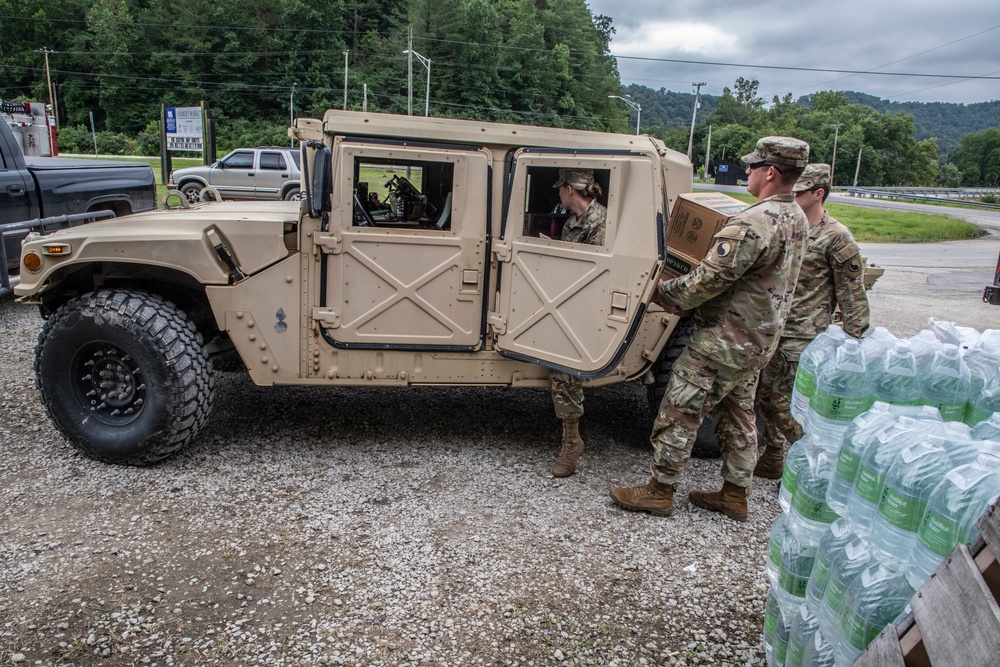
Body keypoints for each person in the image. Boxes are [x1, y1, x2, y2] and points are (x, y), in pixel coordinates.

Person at [609, 136, 809, 521]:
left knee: (679, 409)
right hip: (757, 341)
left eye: (752, 166)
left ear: (770, 172)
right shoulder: (796, 217)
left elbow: (704, 283)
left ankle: (659, 490)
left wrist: (657, 292)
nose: (746, 173)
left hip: (724, 340)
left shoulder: (753, 222)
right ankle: (735, 494)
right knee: (738, 415)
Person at [754, 164, 870, 478]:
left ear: (818, 194)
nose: (791, 194)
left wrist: (853, 342)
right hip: (774, 330)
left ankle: (817, 466)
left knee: (784, 404)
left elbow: (853, 294)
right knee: (764, 398)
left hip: (804, 337)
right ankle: (774, 456)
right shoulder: (789, 226)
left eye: (800, 191)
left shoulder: (837, 237)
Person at [547, 168, 607, 477]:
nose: (558, 193)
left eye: (561, 188)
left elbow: (594, 269)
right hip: (567, 299)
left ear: (570, 189)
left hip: (586, 305)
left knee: (564, 366)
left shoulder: (600, 223)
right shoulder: (573, 221)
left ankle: (571, 442)